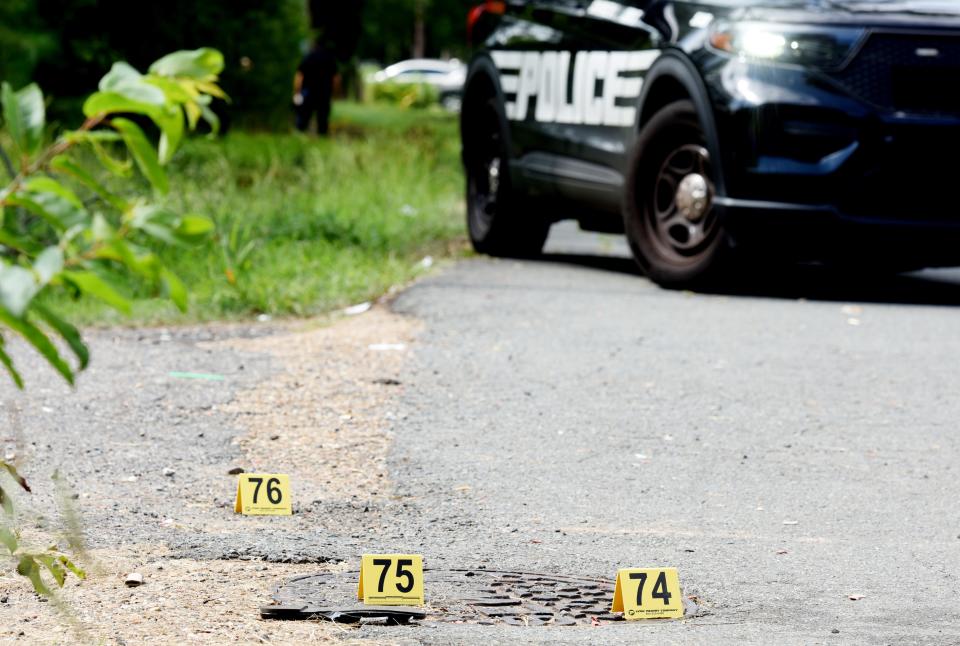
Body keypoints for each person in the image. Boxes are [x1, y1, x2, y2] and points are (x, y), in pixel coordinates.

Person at [293, 41, 337, 134]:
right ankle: (322, 135)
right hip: (325, 92)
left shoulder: (309, 57)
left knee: (303, 117)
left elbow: (299, 75)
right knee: (323, 118)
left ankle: (300, 134)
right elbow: (336, 79)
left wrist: (297, 91)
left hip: (309, 91)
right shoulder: (330, 58)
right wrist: (335, 92)